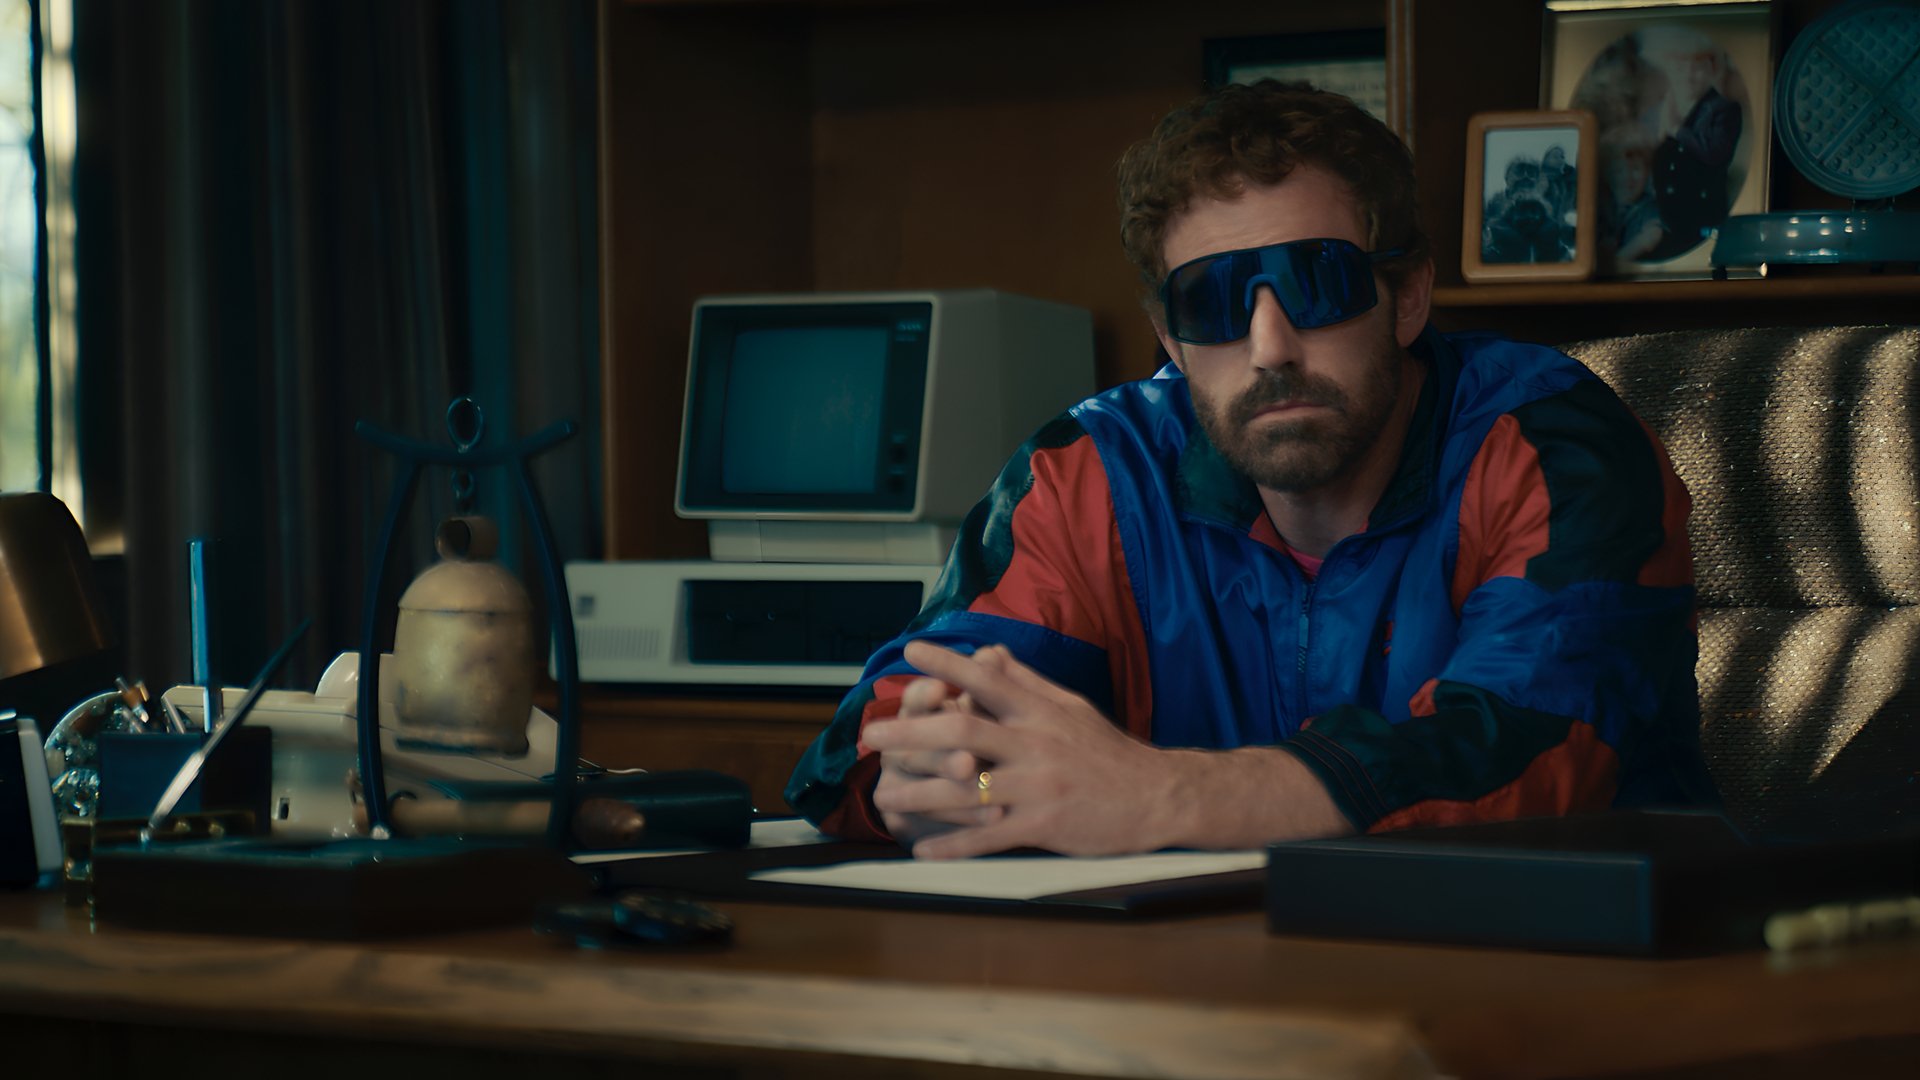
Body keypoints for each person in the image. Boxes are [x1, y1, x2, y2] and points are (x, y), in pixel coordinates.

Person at [785, 79, 1717, 859]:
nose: (1271, 346)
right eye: (1214, 300)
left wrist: (1163, 795)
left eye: (1316, 281)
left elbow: (1523, 759)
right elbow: (869, 754)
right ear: (1170, 339)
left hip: (1576, 983)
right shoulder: (1092, 477)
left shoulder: (1553, 446)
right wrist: (979, 778)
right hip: (1202, 985)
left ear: (1408, 296)